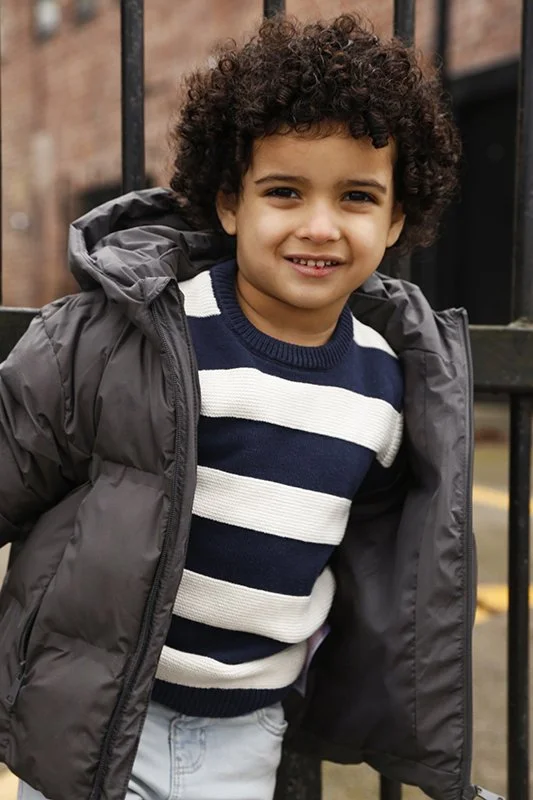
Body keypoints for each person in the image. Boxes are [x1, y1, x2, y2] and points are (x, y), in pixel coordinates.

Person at [0, 13, 485, 800]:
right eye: (284, 191)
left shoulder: (393, 387)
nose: (318, 226)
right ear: (230, 203)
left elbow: (392, 574)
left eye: (357, 197)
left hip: (249, 735)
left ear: (396, 219)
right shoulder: (135, 334)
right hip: (95, 719)